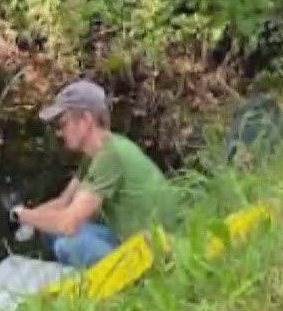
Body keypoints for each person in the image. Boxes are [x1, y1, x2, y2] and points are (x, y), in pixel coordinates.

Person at [11, 79, 179, 270]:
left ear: (86, 120)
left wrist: (23, 216)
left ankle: (117, 290)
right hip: (128, 238)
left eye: (63, 123)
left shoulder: (110, 156)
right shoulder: (96, 154)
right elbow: (63, 203)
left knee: (68, 245)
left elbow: (69, 224)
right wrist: (29, 216)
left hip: (153, 250)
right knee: (51, 230)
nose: (59, 132)